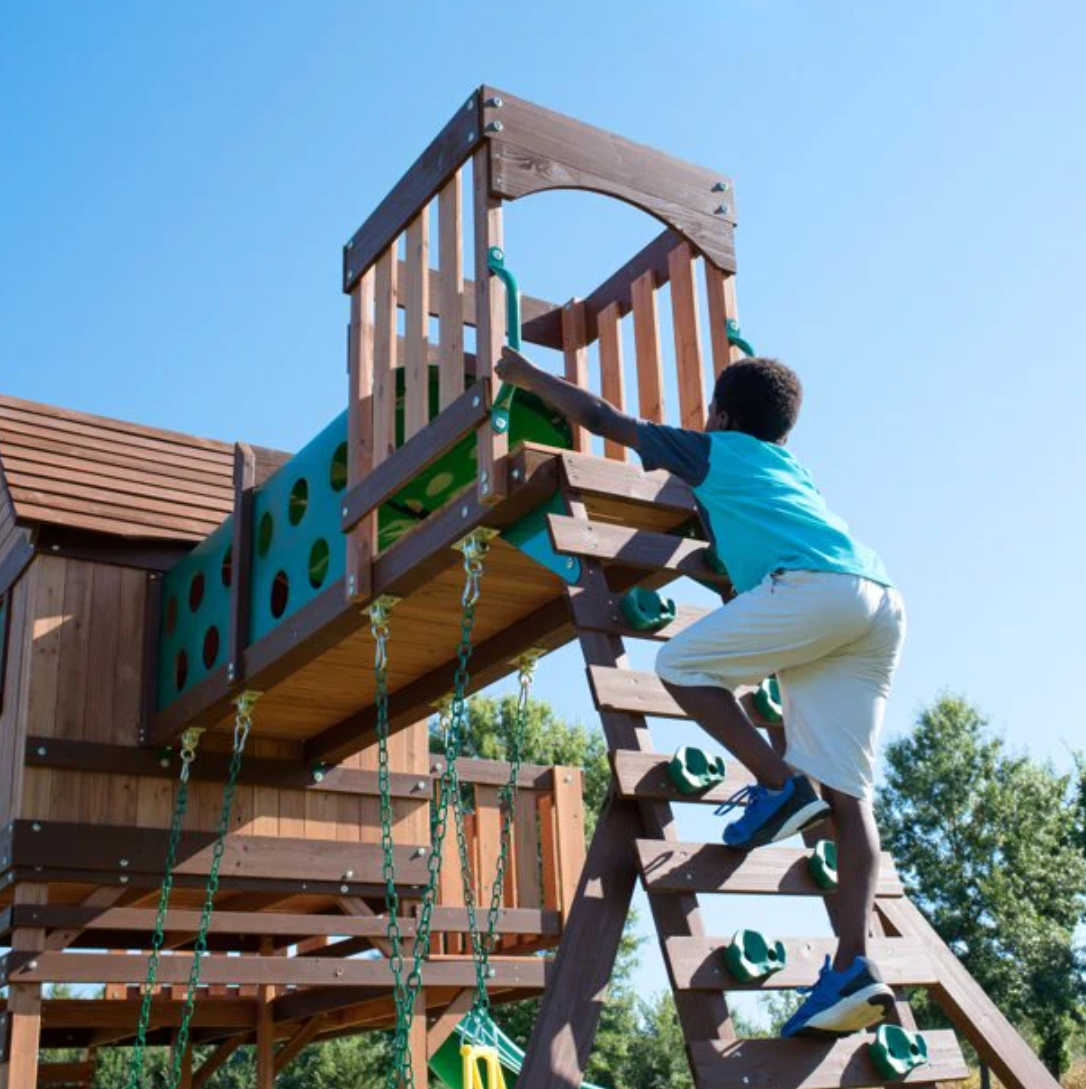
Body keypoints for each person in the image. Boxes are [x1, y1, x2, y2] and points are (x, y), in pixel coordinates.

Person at [494, 346, 905, 1037]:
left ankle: (780, 783)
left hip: (815, 591)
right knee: (851, 794)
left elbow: (602, 416)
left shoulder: (711, 450)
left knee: (681, 666)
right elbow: (732, 552)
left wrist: (524, 374)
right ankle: (855, 964)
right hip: (878, 600)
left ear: (719, 415)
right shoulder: (787, 470)